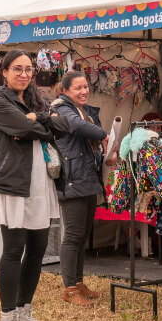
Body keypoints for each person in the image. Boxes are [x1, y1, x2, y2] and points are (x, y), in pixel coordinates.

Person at [0, 50, 69, 321]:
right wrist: (41, 125)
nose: (23, 74)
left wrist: (39, 120)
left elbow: (63, 125)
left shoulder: (35, 99)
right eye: (17, 69)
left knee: (37, 250)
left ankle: (24, 311)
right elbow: (24, 126)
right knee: (13, 250)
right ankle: (6, 319)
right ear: (5, 71)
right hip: (13, 182)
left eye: (28, 69)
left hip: (41, 183)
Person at [51, 71, 114, 307]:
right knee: (73, 236)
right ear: (65, 91)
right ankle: (69, 289)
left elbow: (90, 141)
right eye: (78, 88)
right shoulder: (62, 109)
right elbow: (75, 127)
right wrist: (105, 134)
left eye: (85, 87)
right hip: (71, 179)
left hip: (87, 177)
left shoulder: (85, 111)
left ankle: (77, 284)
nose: (84, 91)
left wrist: (106, 150)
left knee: (83, 235)